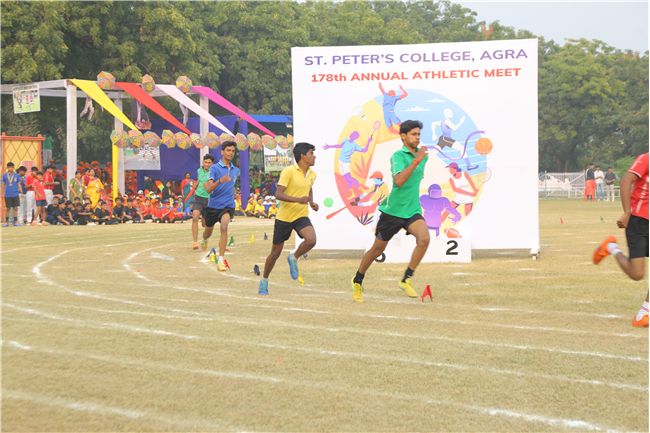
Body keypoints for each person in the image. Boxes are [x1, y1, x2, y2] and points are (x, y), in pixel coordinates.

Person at [350, 120, 430, 303]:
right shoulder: (398, 156)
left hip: (412, 210)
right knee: (377, 250)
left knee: (424, 239)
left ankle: (406, 279)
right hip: (393, 212)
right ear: (403, 136)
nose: (417, 137)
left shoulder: (423, 157)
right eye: (413, 134)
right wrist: (416, 159)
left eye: (419, 134)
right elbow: (399, 181)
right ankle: (357, 281)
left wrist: (419, 158)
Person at [593, 152, 648, 327]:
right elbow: (625, 181)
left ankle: (643, 315)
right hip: (639, 221)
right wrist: (627, 212)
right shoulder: (646, 158)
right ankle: (611, 247)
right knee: (637, 274)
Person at [259, 142, 319, 295]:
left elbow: (309, 187)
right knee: (275, 254)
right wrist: (298, 200)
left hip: (301, 215)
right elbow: (278, 194)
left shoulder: (312, 174)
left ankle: (294, 257)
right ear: (302, 156)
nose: (314, 156)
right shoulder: (289, 171)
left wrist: (311, 202)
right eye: (311, 153)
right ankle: (264, 280)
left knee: (311, 240)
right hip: (284, 218)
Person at [200, 141, 240, 271]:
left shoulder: (236, 170)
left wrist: (234, 192)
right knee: (207, 232)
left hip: (228, 205)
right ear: (222, 152)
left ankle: (221, 260)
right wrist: (220, 181)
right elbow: (209, 189)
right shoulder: (214, 168)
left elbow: (231, 184)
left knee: (224, 227)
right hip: (213, 206)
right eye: (228, 150)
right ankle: (205, 239)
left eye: (233, 151)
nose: (231, 153)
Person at [323, 131, 373, 199]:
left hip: (345, 162)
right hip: (340, 161)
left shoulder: (355, 145)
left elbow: (364, 150)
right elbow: (340, 145)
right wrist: (329, 146)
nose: (351, 134)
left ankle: (361, 189)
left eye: (352, 134)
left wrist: (368, 142)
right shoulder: (346, 140)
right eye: (351, 133)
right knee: (345, 178)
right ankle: (352, 192)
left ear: (355, 137)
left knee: (348, 177)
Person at [190, 154, 214, 250]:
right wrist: (196, 184)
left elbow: (216, 184)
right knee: (195, 217)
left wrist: (208, 186)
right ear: (203, 162)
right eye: (206, 162)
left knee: (205, 224)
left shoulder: (213, 172)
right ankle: (195, 242)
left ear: (212, 164)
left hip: (208, 199)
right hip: (198, 197)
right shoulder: (199, 170)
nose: (207, 164)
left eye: (209, 163)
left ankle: (205, 239)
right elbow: (199, 180)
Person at [1, 162, 24, 226]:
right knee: (8, 208)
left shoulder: (16, 175)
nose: (11, 168)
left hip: (15, 193)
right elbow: (2, 185)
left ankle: (15, 221)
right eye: (10, 167)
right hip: (7, 194)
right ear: (7, 168)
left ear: (13, 168)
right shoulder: (4, 175)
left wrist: (21, 192)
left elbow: (19, 184)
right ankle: (6, 222)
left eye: (12, 167)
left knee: (15, 208)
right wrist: (2, 193)